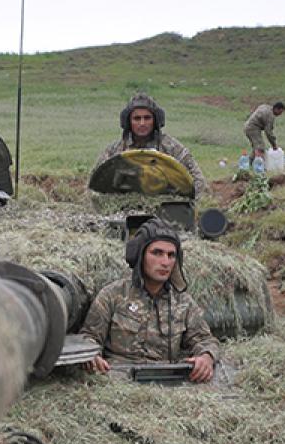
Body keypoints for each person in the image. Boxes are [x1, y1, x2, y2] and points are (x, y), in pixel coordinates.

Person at [79, 218, 219, 383]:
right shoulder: (113, 295)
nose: (165, 262)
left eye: (171, 255)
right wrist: (92, 355)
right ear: (140, 255)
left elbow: (205, 340)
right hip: (117, 381)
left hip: (166, 384)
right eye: (157, 253)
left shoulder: (183, 302)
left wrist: (206, 357)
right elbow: (89, 337)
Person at [94, 93, 206, 198]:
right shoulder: (115, 151)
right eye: (137, 118)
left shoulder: (171, 148)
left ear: (155, 120)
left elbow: (198, 180)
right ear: (128, 122)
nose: (142, 123)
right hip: (123, 212)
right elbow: (96, 183)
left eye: (147, 118)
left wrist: (182, 203)